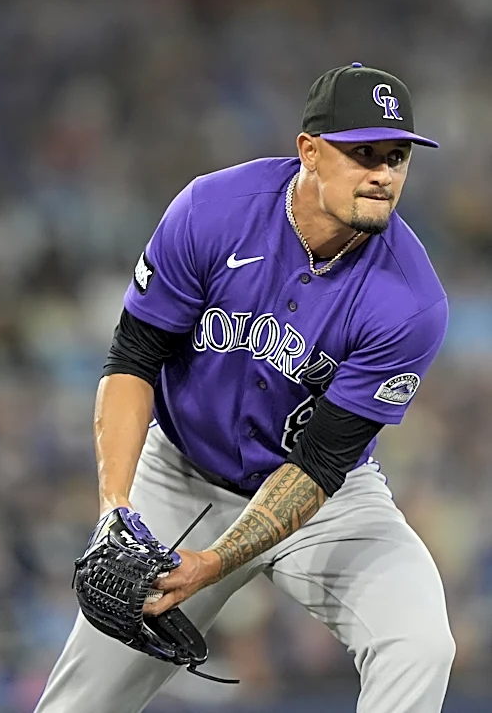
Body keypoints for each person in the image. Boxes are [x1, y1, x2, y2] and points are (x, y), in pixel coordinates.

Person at [35, 62, 454, 713]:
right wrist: (115, 506)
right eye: (362, 153)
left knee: (420, 643)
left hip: (324, 499)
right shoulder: (214, 210)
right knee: (80, 704)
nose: (382, 174)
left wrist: (213, 563)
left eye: (396, 157)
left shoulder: (411, 301)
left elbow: (321, 463)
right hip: (182, 474)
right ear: (309, 151)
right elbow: (133, 358)